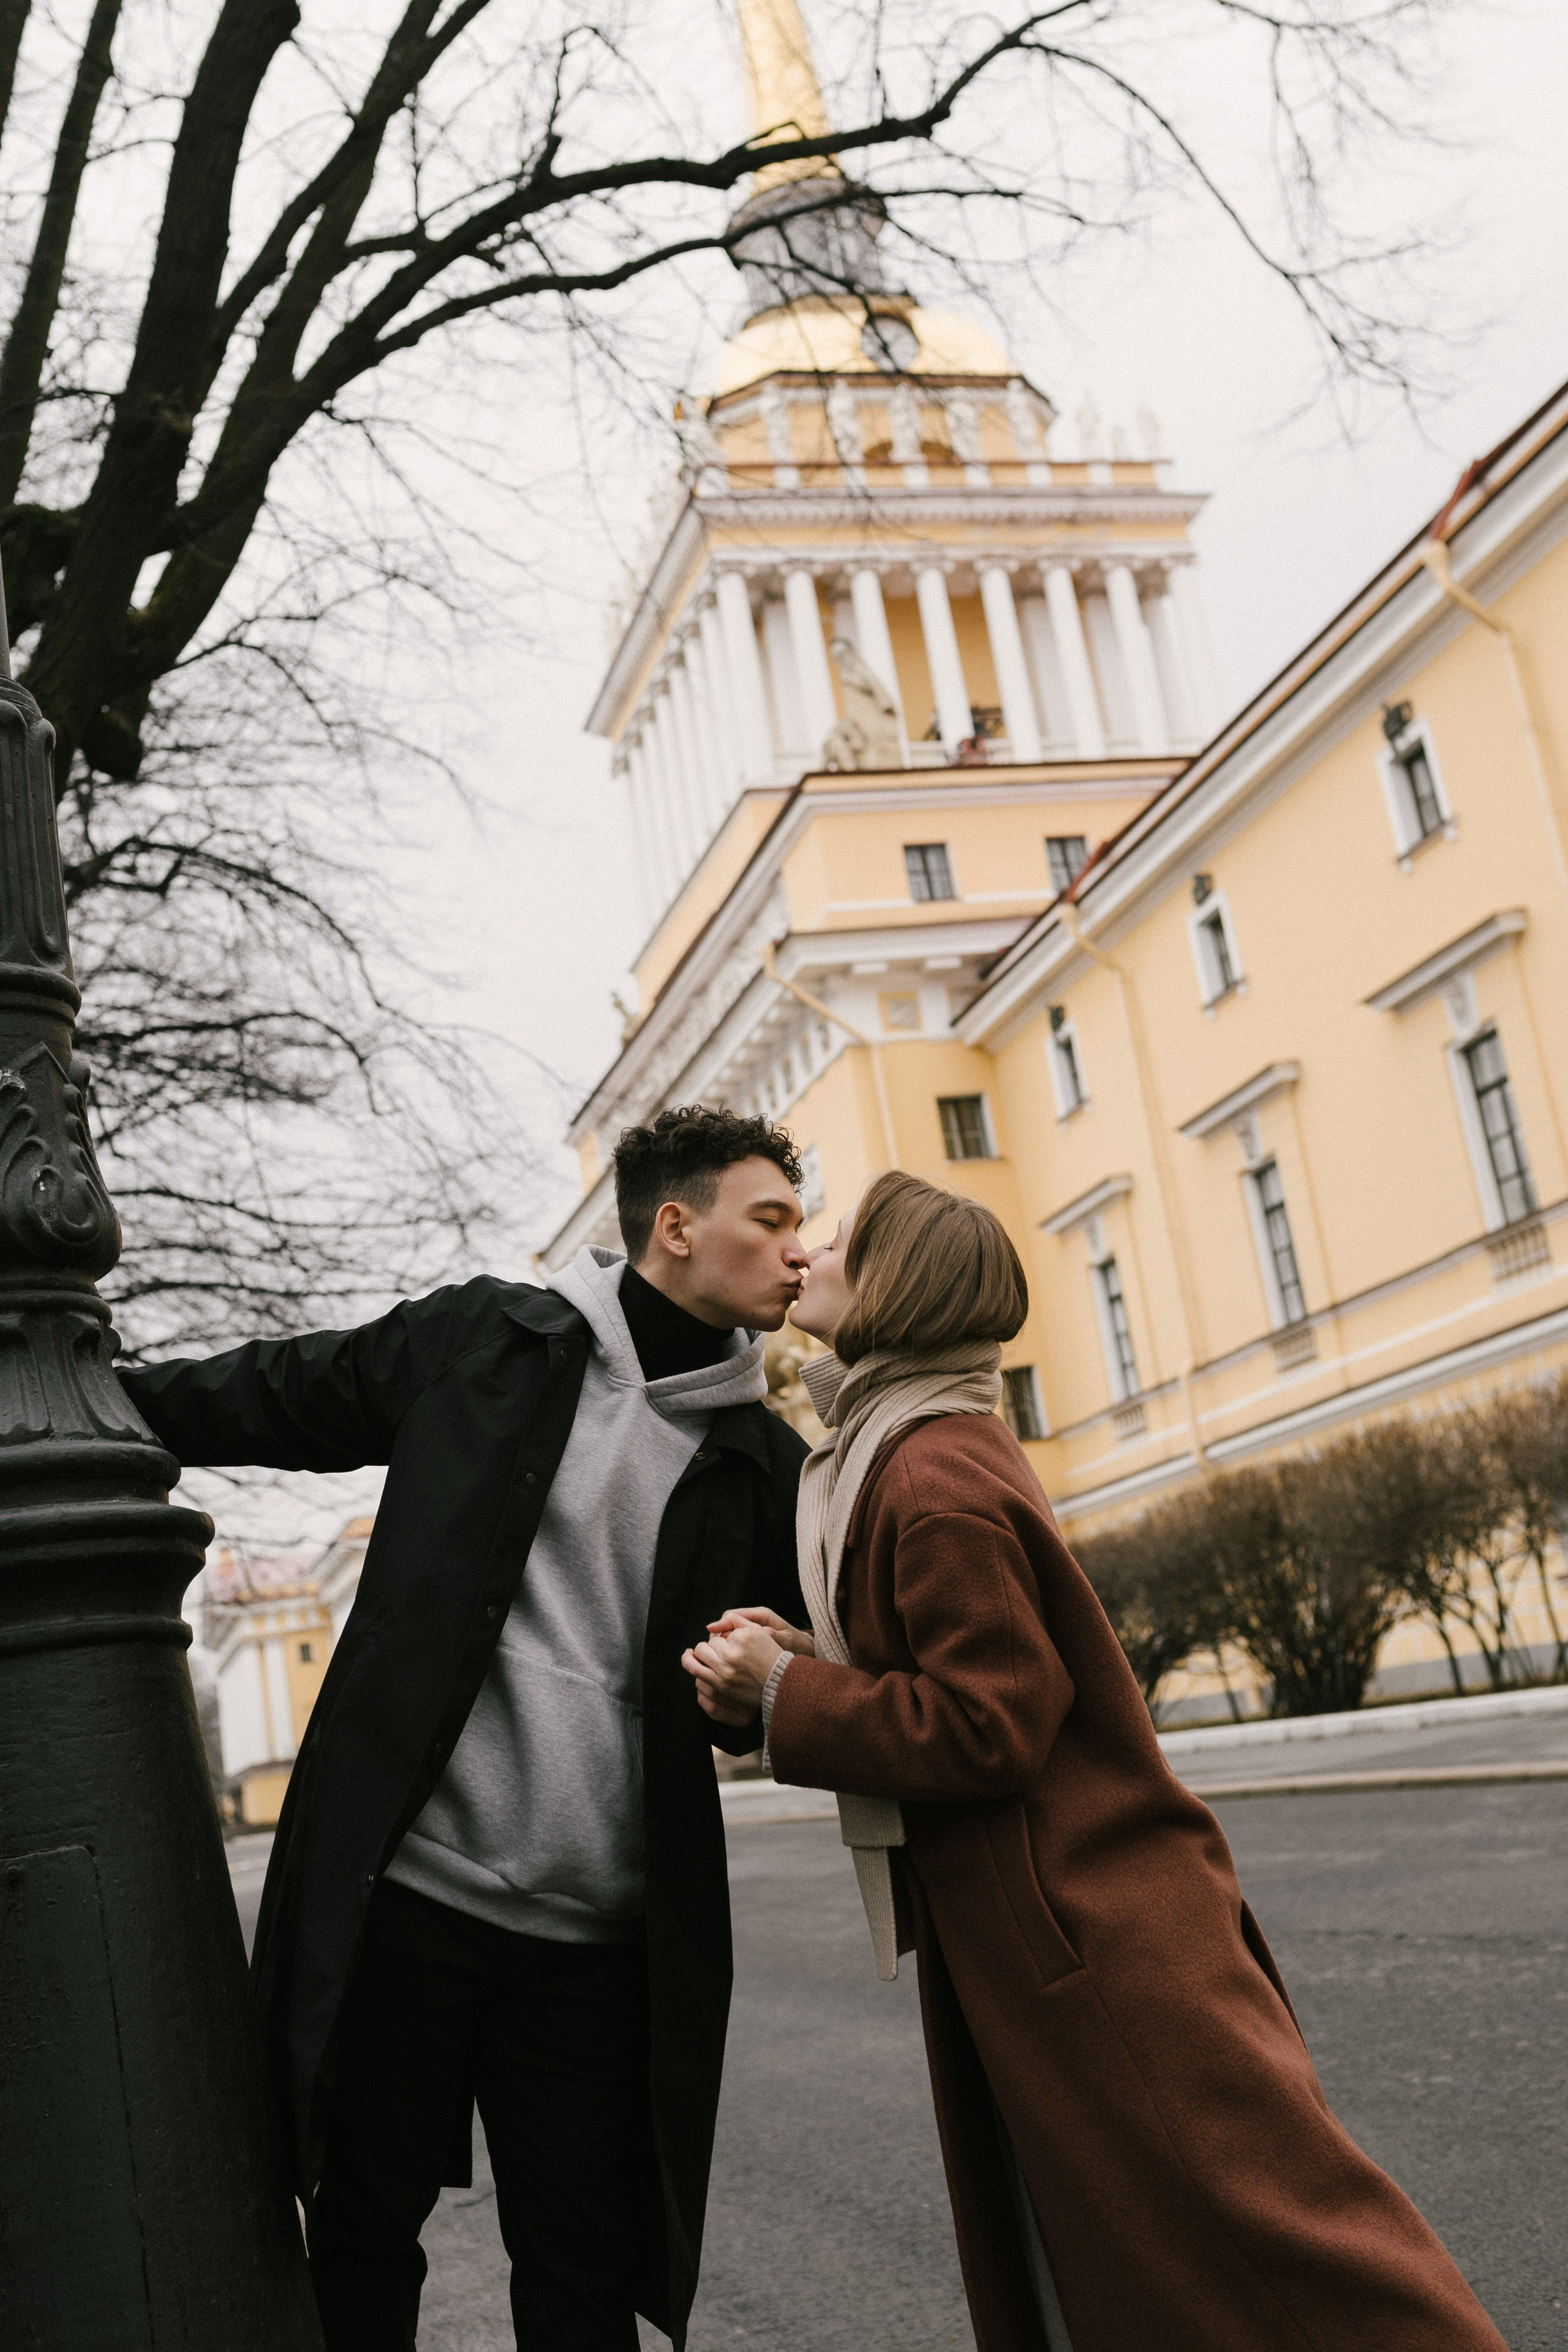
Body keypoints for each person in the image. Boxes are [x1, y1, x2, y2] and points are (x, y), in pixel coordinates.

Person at [684, 1170, 1507, 2352]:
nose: (809, 1252)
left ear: (899, 1286)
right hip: (1057, 1928)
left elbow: (992, 1722)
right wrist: (793, 1667)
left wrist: (791, 1697)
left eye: (842, 1239)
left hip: (1095, 1931)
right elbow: (936, 1671)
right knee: (1142, 2262)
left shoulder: (931, 1471)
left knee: (1298, 2248)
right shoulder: (907, 1447)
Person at [121, 1105, 812, 2352]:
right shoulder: (492, 1342)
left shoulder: (762, 1459)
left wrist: (775, 1676)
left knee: (580, 2277)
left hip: (594, 1944)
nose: (795, 1253)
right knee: (360, 2237)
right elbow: (281, 1394)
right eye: (769, 1221)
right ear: (674, 1226)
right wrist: (88, 1397)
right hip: (411, 1907)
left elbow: (851, 1640)